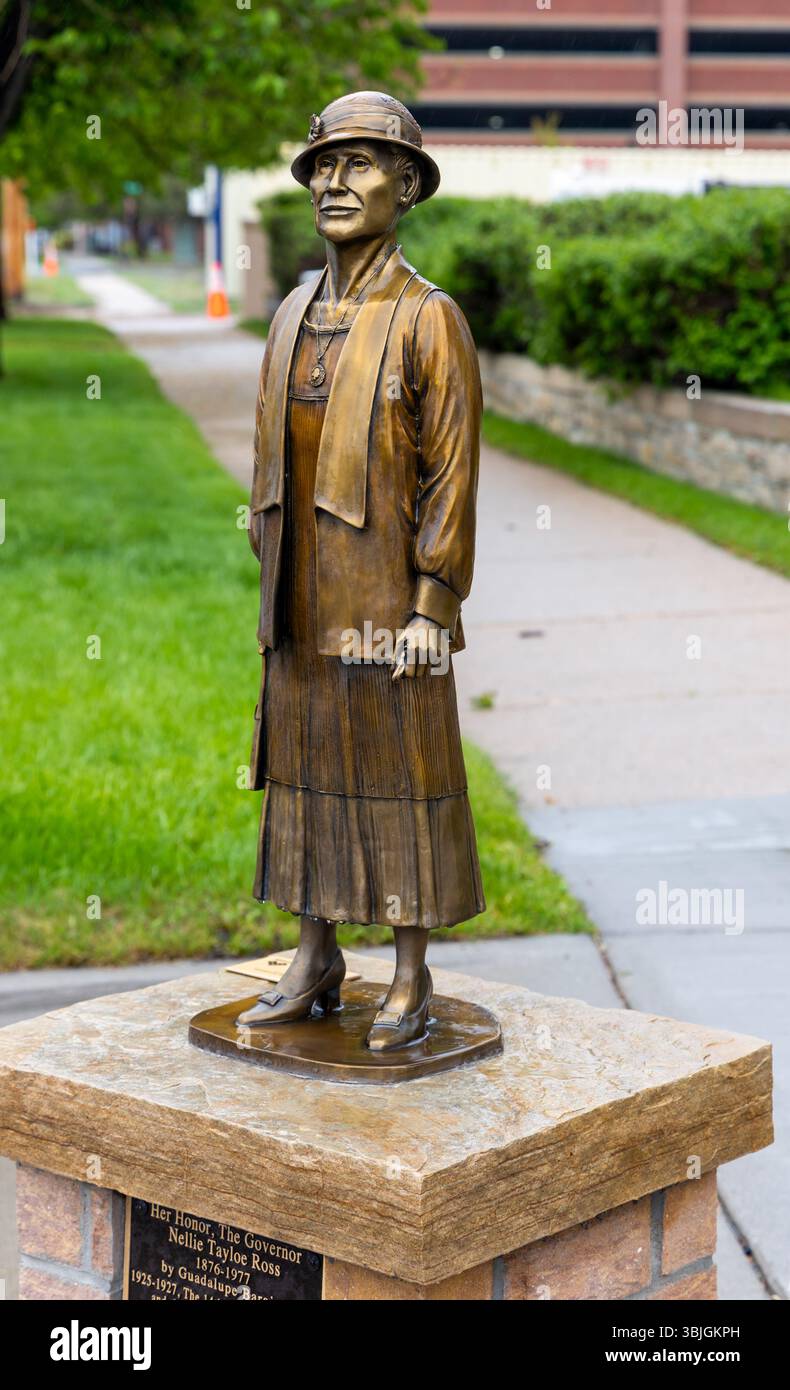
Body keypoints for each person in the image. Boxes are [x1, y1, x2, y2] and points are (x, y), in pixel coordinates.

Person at [238, 91, 485, 1050]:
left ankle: (411, 974)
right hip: (302, 592)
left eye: (364, 164)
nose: (337, 183)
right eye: (324, 166)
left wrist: (432, 603)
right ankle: (315, 954)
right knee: (302, 770)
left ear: (408, 187)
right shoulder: (295, 309)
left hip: (387, 600)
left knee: (397, 776)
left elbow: (451, 474)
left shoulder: (429, 320)